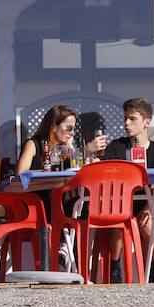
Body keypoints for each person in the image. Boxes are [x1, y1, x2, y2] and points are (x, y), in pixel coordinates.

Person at [15, 105, 106, 270]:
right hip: (38, 203)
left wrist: (73, 150)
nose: (72, 133)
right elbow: (21, 173)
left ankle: (71, 258)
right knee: (79, 208)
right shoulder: (33, 144)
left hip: (59, 202)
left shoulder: (65, 150)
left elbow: (75, 172)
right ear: (54, 127)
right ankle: (71, 259)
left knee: (82, 205)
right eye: (68, 128)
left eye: (73, 129)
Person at [100, 97, 154, 283]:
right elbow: (101, 171)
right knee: (118, 219)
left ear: (147, 122)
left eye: (132, 119)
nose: (127, 123)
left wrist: (148, 207)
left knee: (147, 224)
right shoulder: (117, 147)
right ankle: (115, 268)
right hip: (118, 203)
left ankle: (152, 269)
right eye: (125, 119)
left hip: (145, 201)